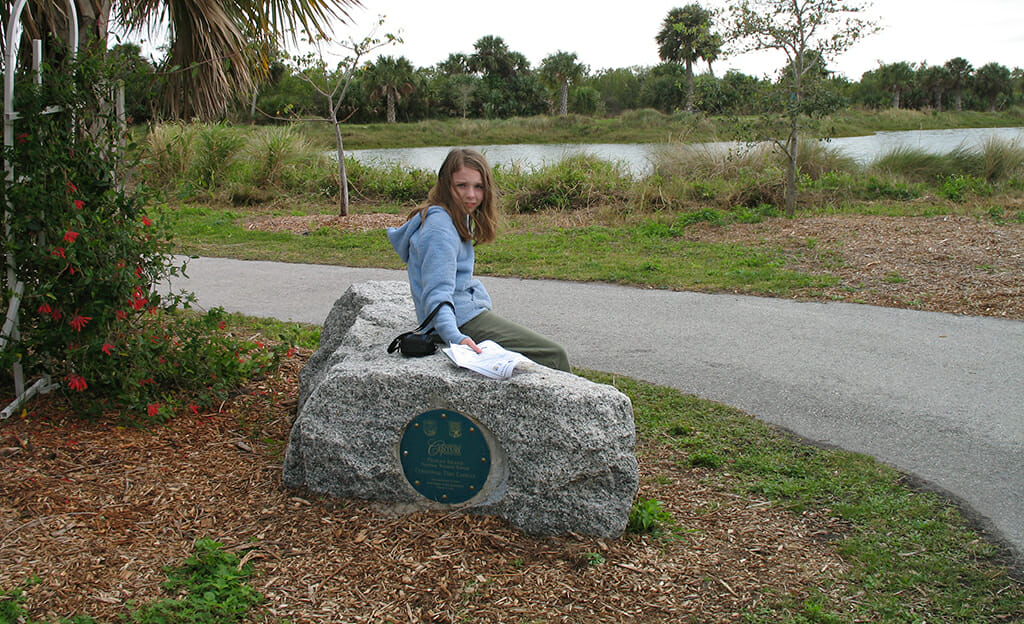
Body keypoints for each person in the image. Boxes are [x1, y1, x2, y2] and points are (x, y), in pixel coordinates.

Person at [387, 148, 571, 372]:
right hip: (459, 321)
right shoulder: (440, 229)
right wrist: (455, 337)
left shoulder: (453, 216)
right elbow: (437, 292)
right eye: (461, 185)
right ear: (446, 185)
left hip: (465, 314)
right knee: (554, 355)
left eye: (478, 186)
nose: (471, 195)